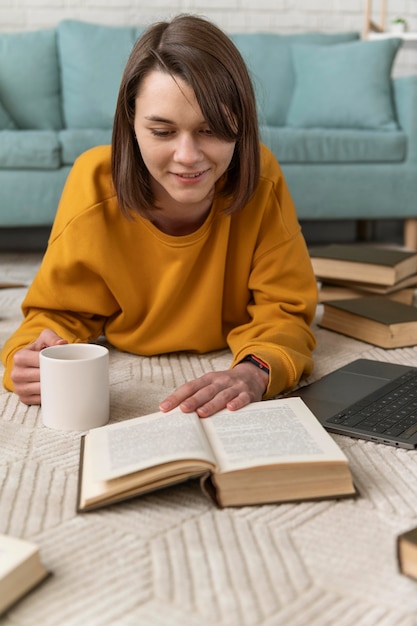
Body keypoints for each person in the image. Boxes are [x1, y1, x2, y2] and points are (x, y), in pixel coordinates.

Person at [1, 14, 317, 418]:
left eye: (210, 129)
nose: (187, 157)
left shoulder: (262, 178)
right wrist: (25, 357)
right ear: (131, 123)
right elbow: (58, 312)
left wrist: (257, 369)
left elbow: (286, 309)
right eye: (163, 132)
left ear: (241, 122)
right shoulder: (93, 181)